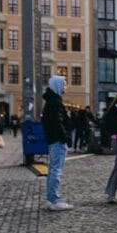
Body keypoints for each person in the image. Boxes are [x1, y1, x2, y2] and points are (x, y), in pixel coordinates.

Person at [42, 75, 73, 211]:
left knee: (53, 169)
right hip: (58, 140)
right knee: (56, 170)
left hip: (53, 139)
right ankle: (54, 199)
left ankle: (51, 198)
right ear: (57, 86)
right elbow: (58, 123)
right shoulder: (55, 103)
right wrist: (66, 137)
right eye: (64, 84)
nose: (66, 87)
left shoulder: (51, 101)